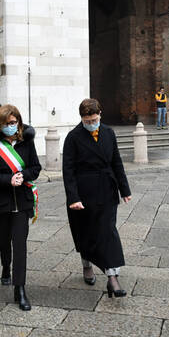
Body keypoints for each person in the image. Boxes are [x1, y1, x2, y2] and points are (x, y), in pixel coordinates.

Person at [63, 98, 131, 298]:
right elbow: (68, 171)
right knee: (86, 232)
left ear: (100, 114)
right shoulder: (73, 137)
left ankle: (112, 277)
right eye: (87, 120)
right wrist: (73, 197)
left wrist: (124, 189)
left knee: (108, 232)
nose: (91, 123)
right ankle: (87, 264)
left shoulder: (109, 133)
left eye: (93, 119)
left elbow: (116, 162)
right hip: (83, 194)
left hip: (107, 190)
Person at [0, 104, 41, 311]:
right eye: (6, 124)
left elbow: (36, 167)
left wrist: (25, 176)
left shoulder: (26, 142)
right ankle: (6, 266)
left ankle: (20, 288)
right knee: (4, 239)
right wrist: (7, 179)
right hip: (1, 202)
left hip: (22, 202)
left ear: (19, 123)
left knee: (20, 244)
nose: (10, 127)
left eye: (13, 123)